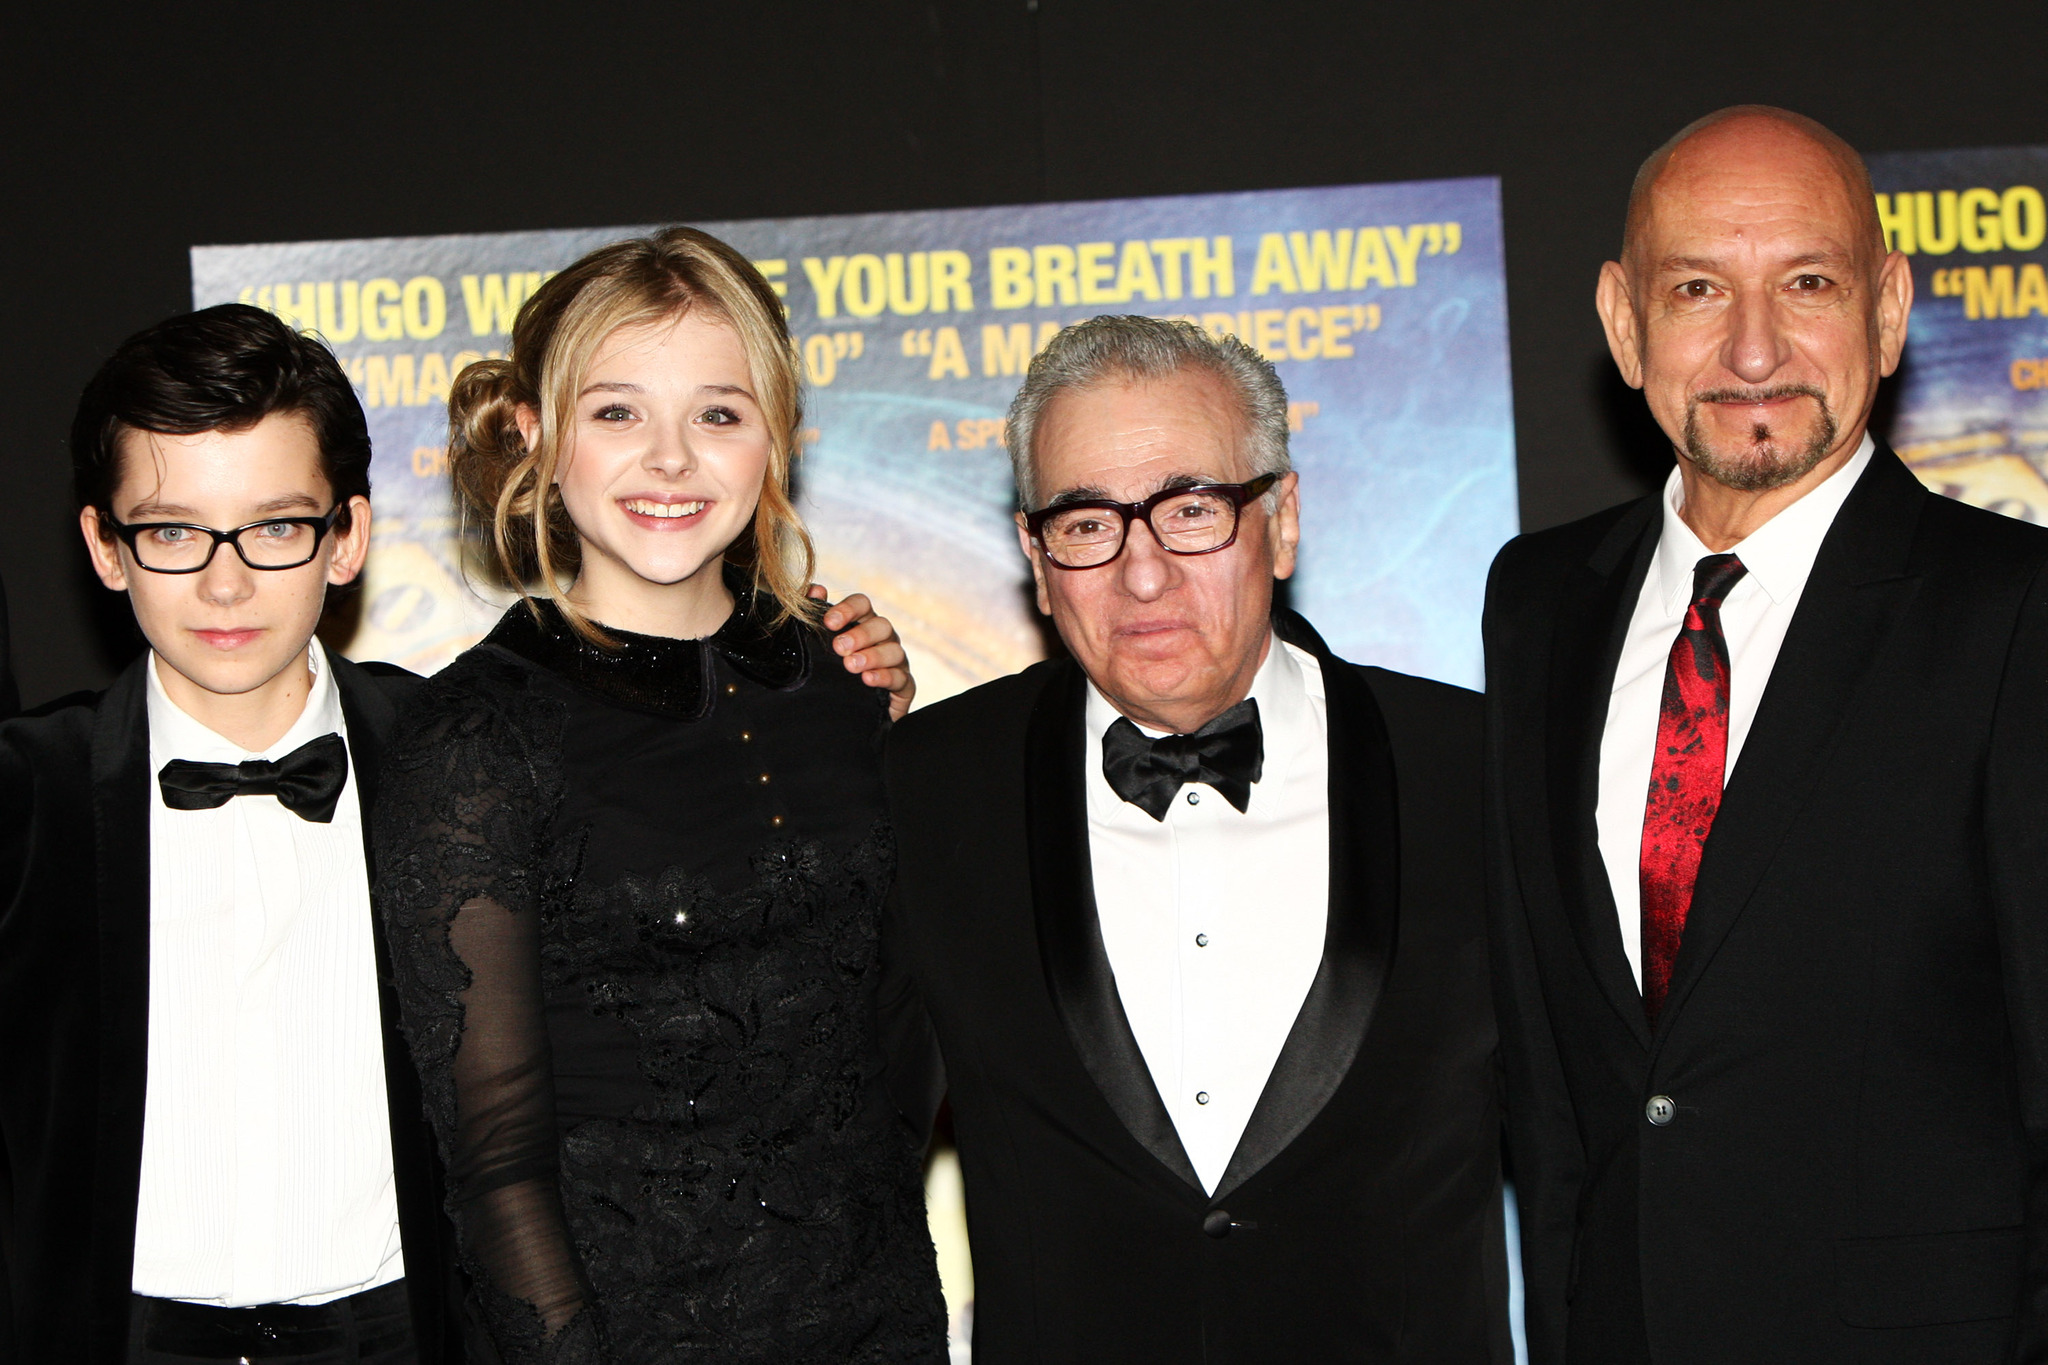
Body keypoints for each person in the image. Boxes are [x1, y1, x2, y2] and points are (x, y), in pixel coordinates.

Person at [1485, 105, 2048, 1365]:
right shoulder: (1536, 601)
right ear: (1623, 325)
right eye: (1696, 288)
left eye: (1805, 282)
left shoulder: (2015, 613)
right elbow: (1552, 1075)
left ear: (1887, 310)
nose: (1752, 347)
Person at [880, 314, 1509, 1363]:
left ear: (1283, 519)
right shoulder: (926, 786)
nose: (1141, 575)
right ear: (1035, 559)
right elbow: (843, 1150)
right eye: (1086, 524)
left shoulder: (1479, 770)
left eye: (1190, 509)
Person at [371, 227, 946, 1364]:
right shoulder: (474, 740)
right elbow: (489, 1167)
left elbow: (893, 1042)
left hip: (880, 1324)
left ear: (775, 436)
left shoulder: (847, 684)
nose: (671, 459)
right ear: (536, 436)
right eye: (618, 411)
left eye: (718, 413)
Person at [0, 303, 462, 1365]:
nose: (224, 580)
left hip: (403, 1334)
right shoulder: (26, 794)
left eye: (275, 525)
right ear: (104, 549)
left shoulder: (458, 757)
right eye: (170, 531)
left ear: (346, 537)